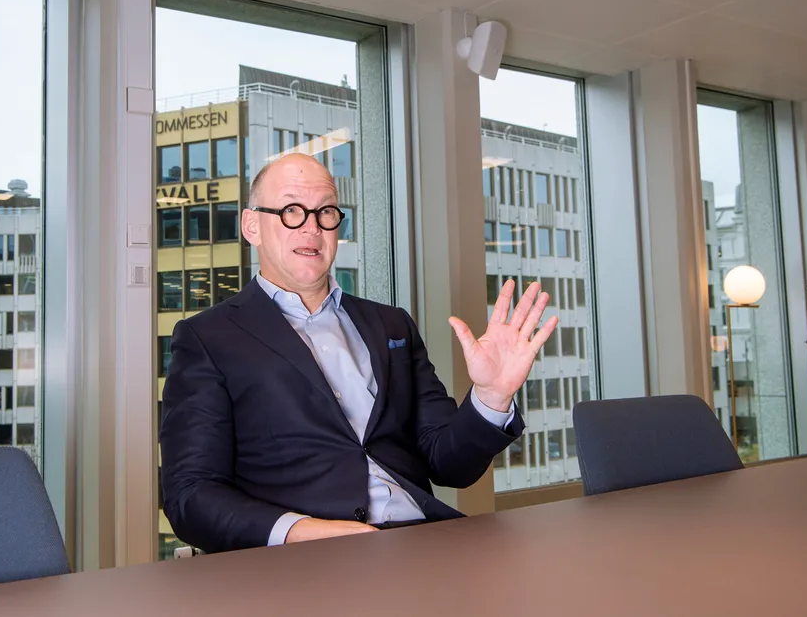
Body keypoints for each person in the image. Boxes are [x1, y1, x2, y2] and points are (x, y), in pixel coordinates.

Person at [159, 153, 557, 553]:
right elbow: (190, 494)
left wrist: (491, 397)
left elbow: (449, 465)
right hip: (303, 559)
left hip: (423, 544)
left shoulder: (391, 325)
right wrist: (300, 532)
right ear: (252, 226)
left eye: (325, 211)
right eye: (292, 210)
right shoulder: (207, 338)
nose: (312, 227)